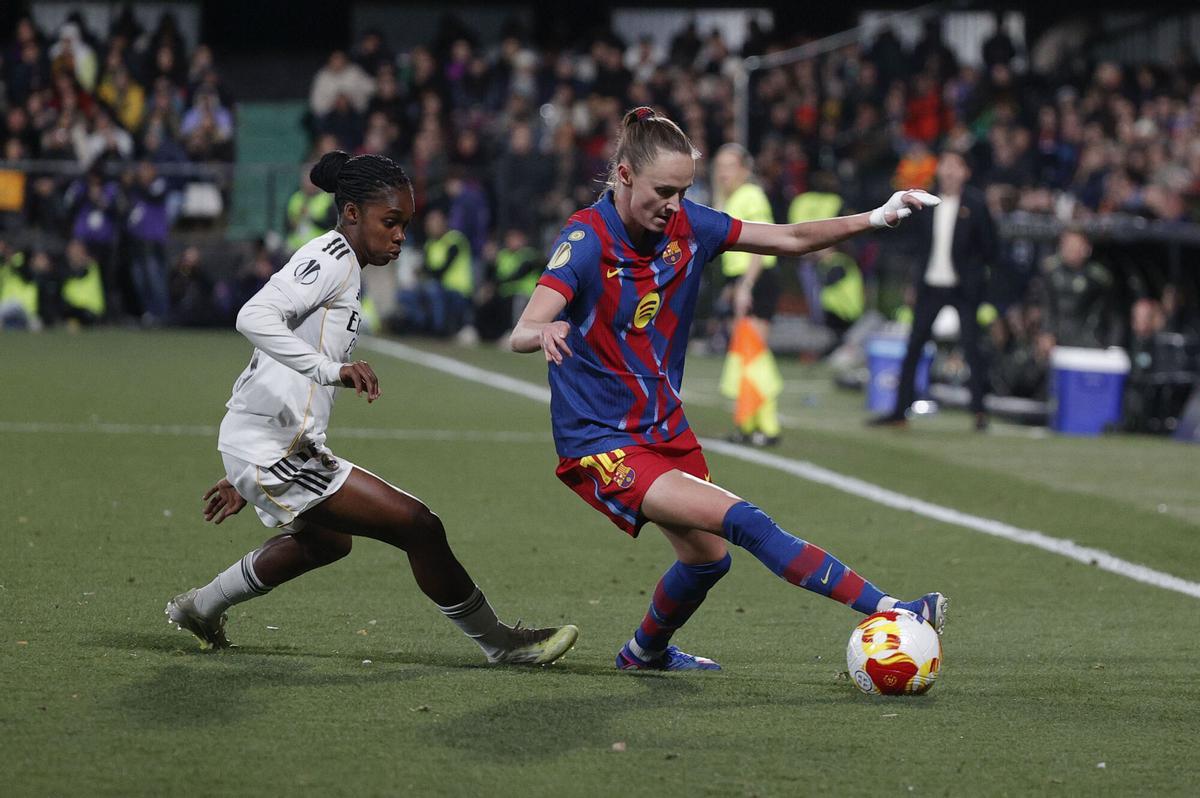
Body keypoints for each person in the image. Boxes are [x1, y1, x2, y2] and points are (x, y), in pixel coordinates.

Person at [510, 107, 944, 672]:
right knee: (747, 522)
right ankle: (893, 608)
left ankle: (644, 653)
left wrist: (878, 218)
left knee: (708, 561)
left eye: (684, 190)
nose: (674, 204)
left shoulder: (690, 225)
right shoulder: (586, 239)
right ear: (622, 175)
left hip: (663, 425)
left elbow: (789, 237)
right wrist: (548, 328)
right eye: (663, 190)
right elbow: (522, 329)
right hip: (601, 441)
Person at [166, 151, 577, 666]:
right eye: (391, 222)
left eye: (404, 223)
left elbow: (274, 353)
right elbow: (254, 317)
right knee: (418, 525)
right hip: (270, 446)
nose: (401, 235)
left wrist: (247, 467)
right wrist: (326, 374)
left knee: (327, 543)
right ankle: (501, 643)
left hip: (271, 443)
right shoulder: (331, 260)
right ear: (353, 212)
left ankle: (200, 607)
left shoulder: (342, 266)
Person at [871, 149, 996, 430]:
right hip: (930, 285)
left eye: (956, 165)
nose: (950, 171)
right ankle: (899, 412)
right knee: (914, 346)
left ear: (966, 171)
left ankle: (979, 412)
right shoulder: (926, 202)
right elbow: (918, 247)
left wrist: (976, 278)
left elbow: (990, 247)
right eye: (945, 165)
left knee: (972, 348)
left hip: (963, 288)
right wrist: (913, 284)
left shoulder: (975, 204)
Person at [712, 143, 783, 447]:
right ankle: (748, 423)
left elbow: (762, 242)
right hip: (740, 280)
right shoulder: (732, 198)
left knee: (754, 354)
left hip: (756, 278)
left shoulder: (751, 195)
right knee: (745, 355)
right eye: (720, 166)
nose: (723, 172)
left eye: (730, 166)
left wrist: (745, 286)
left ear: (744, 169)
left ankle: (768, 426)